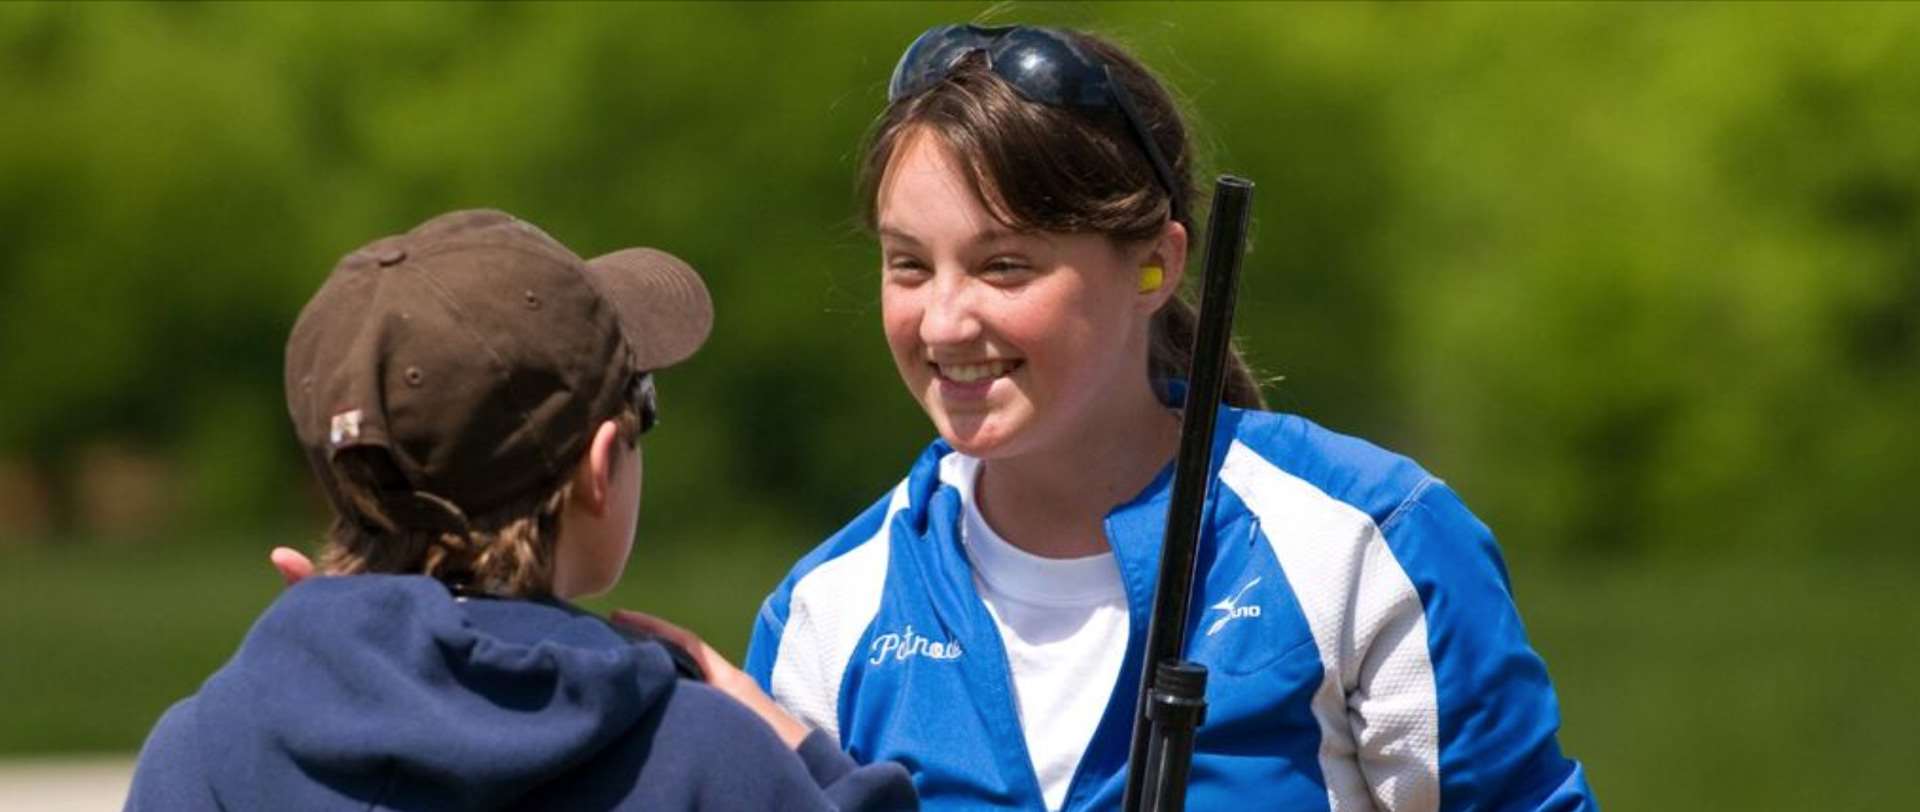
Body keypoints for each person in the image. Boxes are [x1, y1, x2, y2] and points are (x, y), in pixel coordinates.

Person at [717, 24, 1598, 810]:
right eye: (909, 266)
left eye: (1005, 267)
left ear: (1154, 266)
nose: (944, 322)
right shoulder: (825, 616)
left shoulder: (1367, 542)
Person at [128, 209, 917, 811]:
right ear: (599, 468)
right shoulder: (707, 760)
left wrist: (328, 662)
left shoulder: (202, 755)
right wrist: (799, 755)